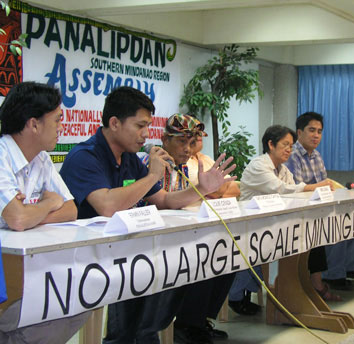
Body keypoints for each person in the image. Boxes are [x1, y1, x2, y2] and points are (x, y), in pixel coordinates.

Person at [60, 87, 236, 344]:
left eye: (148, 126)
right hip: (87, 258)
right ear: (114, 123)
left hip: (127, 249)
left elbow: (164, 200)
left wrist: (202, 188)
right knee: (133, 320)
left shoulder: (129, 158)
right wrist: (153, 175)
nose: (146, 134)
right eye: (140, 125)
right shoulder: (84, 156)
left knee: (174, 272)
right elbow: (108, 206)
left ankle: (151, 332)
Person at [0, 82, 90, 344]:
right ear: (34, 124)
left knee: (82, 299)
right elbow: (17, 218)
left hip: (23, 266)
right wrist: (49, 204)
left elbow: (70, 209)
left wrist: (31, 213)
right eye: (57, 120)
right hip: (5, 271)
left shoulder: (41, 158)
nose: (62, 127)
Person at [146, 114, 235, 344]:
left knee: (225, 255)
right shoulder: (150, 162)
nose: (187, 149)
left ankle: (195, 321)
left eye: (191, 142)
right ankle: (187, 325)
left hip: (175, 233)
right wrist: (201, 190)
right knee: (202, 258)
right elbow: (163, 201)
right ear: (165, 139)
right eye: (181, 142)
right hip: (150, 241)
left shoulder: (182, 166)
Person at [228, 125, 336, 315]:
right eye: (285, 144)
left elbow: (292, 191)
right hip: (248, 226)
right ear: (271, 144)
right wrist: (315, 187)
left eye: (291, 146)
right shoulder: (259, 165)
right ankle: (237, 296)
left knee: (310, 238)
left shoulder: (282, 169)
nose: (289, 149)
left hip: (271, 223)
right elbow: (282, 189)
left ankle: (296, 289)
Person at [285, 111, 354, 292]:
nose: (316, 135)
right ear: (299, 133)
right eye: (312, 130)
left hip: (320, 204)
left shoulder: (316, 156)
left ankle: (349, 267)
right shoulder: (292, 156)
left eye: (320, 131)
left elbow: (325, 186)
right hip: (302, 210)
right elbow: (297, 189)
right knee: (336, 224)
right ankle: (333, 274)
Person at [187, 131, 240, 199]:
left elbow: (235, 189)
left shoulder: (205, 158)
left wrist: (216, 194)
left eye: (200, 130)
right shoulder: (183, 161)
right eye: (193, 130)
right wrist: (220, 193)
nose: (200, 134)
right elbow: (207, 189)